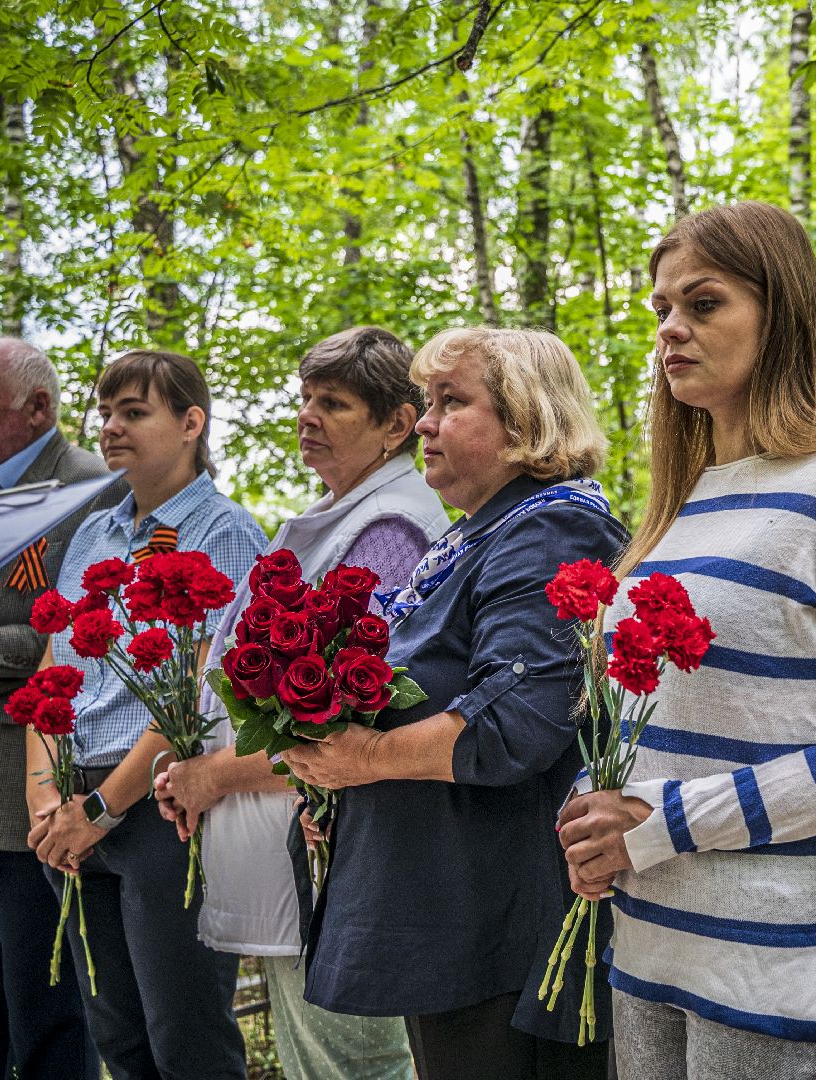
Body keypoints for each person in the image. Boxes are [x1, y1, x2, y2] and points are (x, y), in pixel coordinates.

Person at [556, 201, 816, 1079]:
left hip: (784, 972)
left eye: (704, 305)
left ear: (780, 314)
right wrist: (596, 810)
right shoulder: (681, 503)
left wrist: (658, 823)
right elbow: (662, 716)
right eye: (661, 309)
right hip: (648, 951)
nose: (671, 331)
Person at [281, 327, 627, 1080]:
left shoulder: (554, 527)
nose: (425, 422)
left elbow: (514, 723)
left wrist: (364, 760)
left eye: (449, 402)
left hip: (502, 927)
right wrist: (335, 785)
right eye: (425, 401)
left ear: (526, 419)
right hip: (453, 918)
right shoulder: (478, 535)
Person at [153, 327, 445, 1080]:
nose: (307, 417)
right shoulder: (335, 515)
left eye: (333, 403)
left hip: (332, 856)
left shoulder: (391, 531)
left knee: (350, 1063)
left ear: (396, 425)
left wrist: (213, 776)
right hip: (291, 850)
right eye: (305, 399)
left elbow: (346, 726)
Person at [26, 349, 267, 1080]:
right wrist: (45, 800)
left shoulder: (224, 534)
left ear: (191, 423)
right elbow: (50, 677)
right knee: (119, 1042)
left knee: (186, 1040)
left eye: (134, 412)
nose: (110, 429)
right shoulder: (92, 536)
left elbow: (198, 697)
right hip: (71, 808)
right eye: (105, 413)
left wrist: (102, 807)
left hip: (161, 806)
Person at [0, 338, 118, 1080]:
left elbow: (85, 634)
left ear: (37, 409)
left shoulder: (93, 491)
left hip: (29, 794)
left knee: (48, 1011)